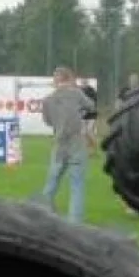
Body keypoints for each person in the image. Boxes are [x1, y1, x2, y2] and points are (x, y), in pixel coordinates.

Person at [39, 67, 95, 224]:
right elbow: (90, 106)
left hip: (59, 141)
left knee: (53, 179)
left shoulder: (48, 100)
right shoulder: (76, 93)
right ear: (69, 78)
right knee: (76, 182)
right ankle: (75, 220)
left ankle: (42, 211)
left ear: (55, 80)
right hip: (76, 141)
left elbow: (47, 121)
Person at [78, 79, 98, 153]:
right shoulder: (79, 91)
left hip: (92, 114)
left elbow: (94, 103)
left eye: (85, 82)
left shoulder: (91, 91)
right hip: (83, 114)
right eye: (82, 83)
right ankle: (87, 150)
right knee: (83, 132)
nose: (83, 84)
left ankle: (94, 147)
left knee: (89, 130)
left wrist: (88, 109)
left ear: (87, 83)